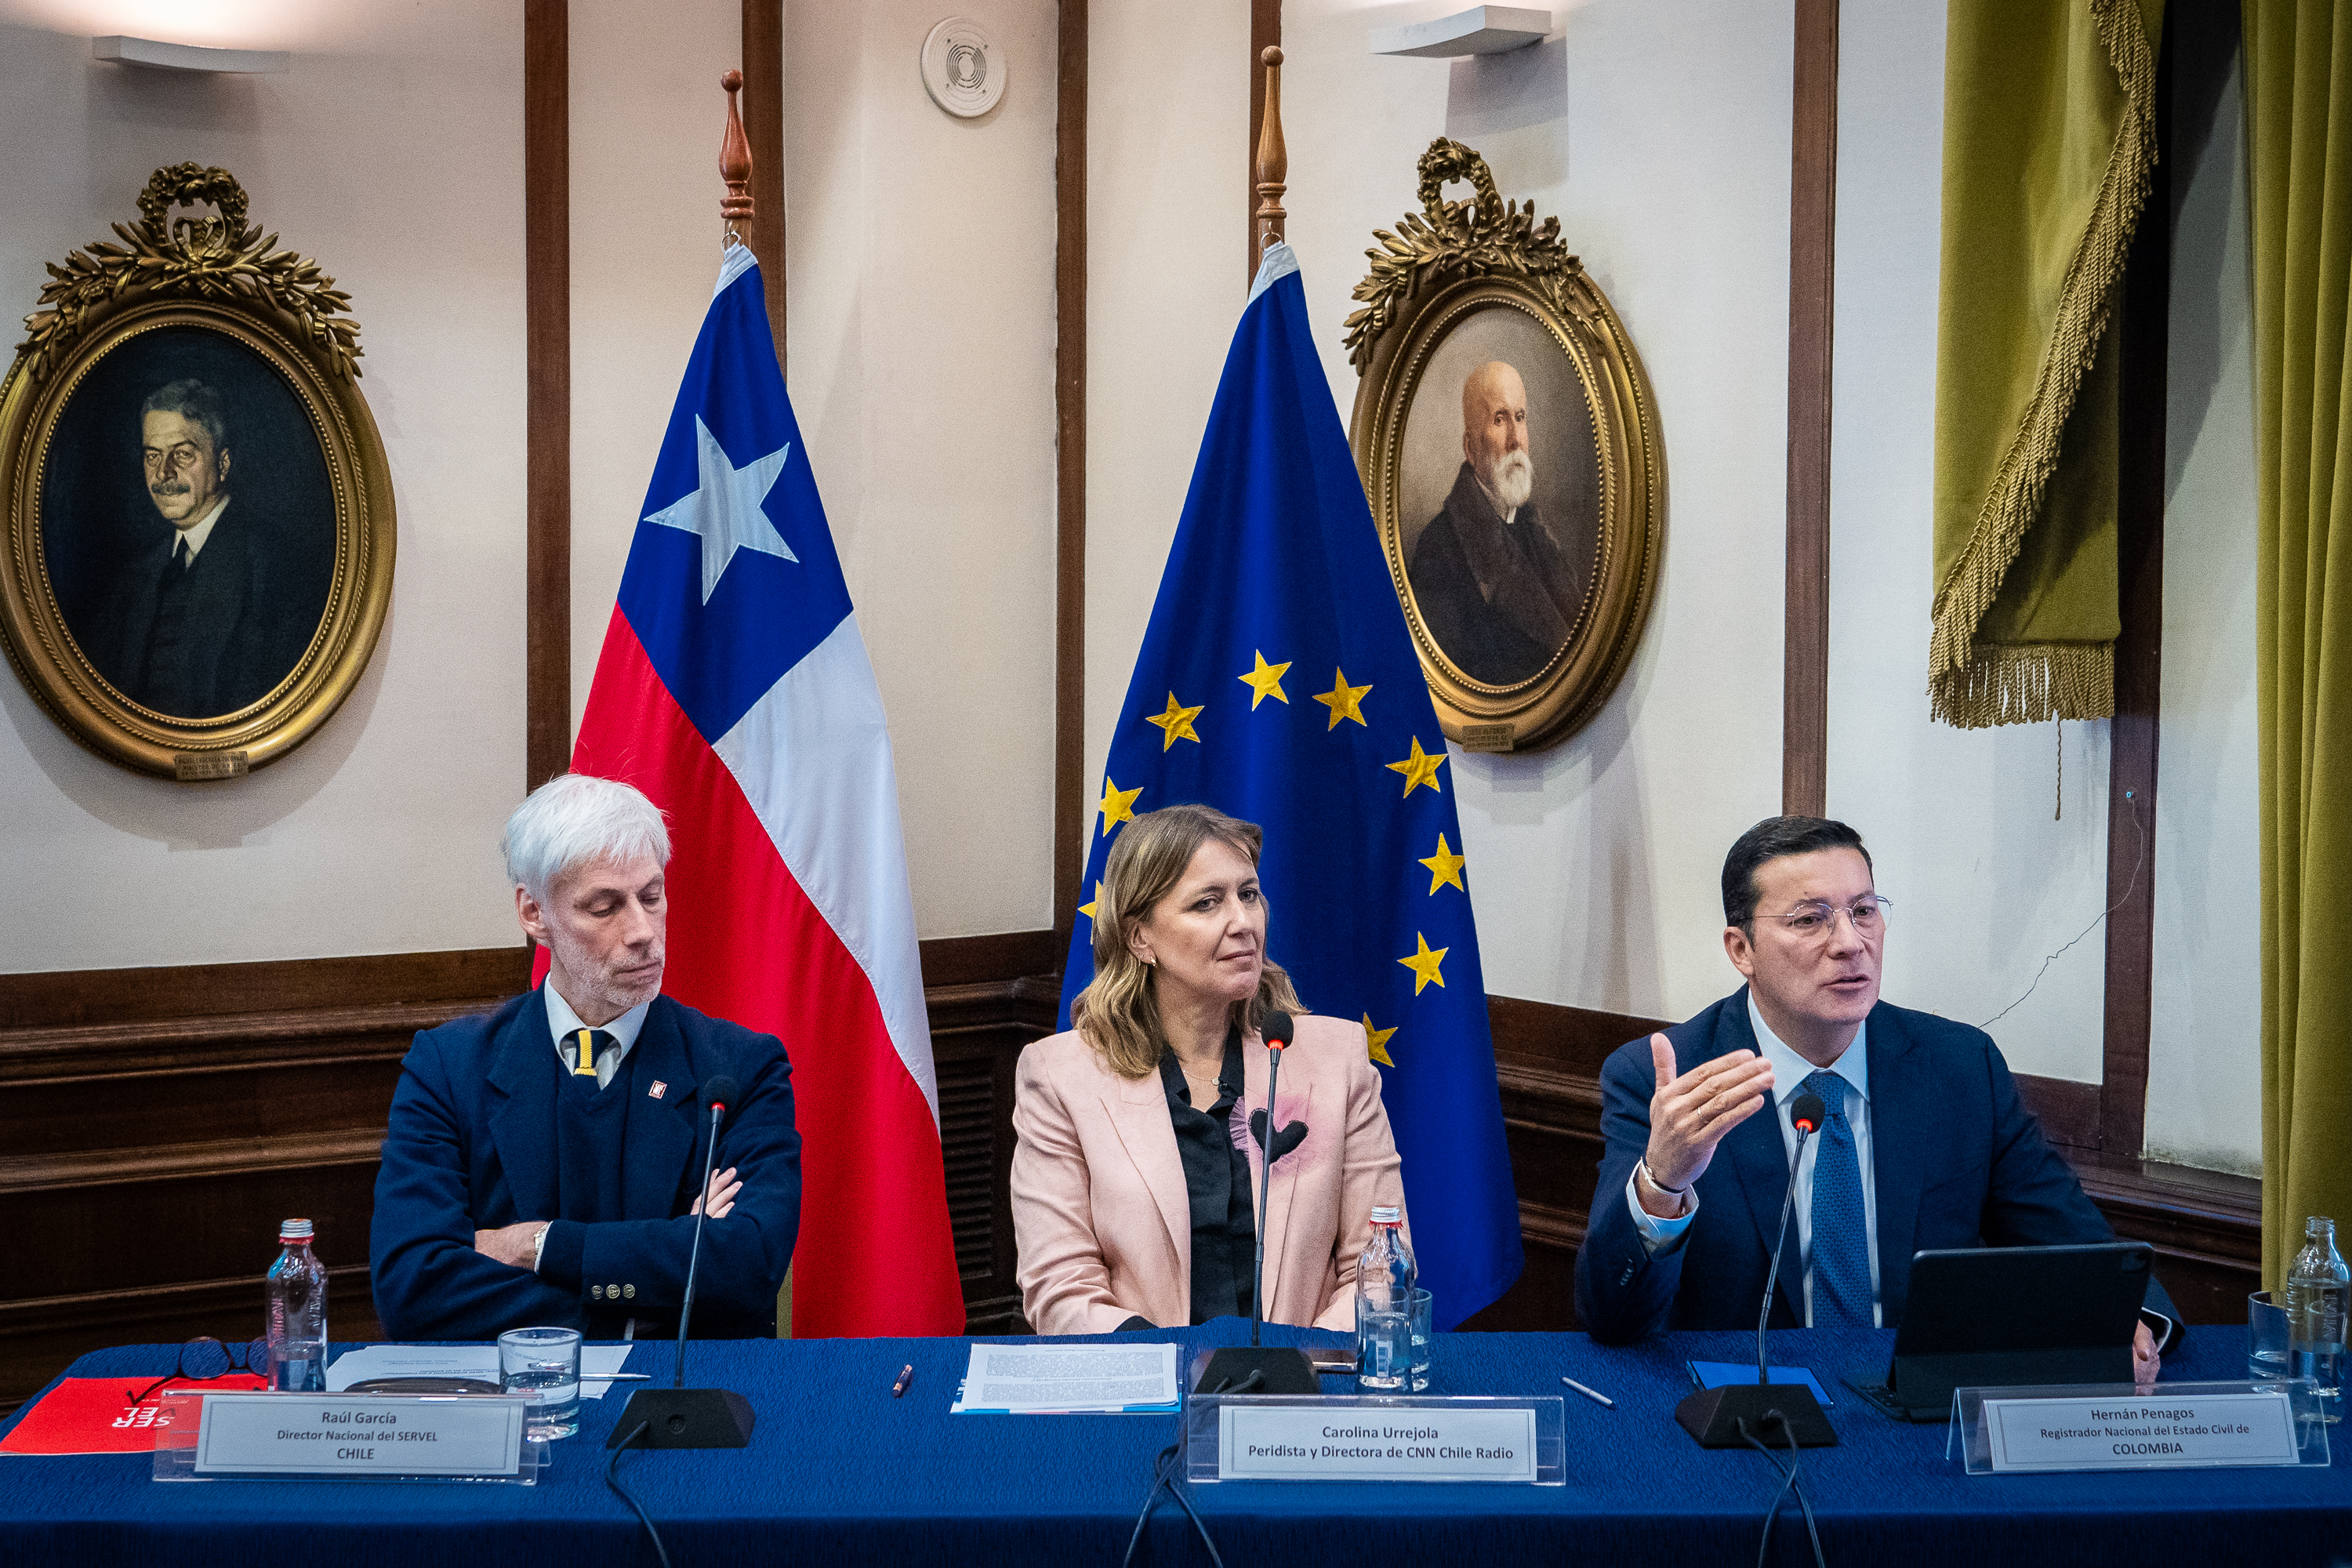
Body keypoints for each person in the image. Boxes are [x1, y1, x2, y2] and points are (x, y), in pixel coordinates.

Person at [1573, 815, 2176, 1377]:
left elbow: (2080, 1246)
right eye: (1810, 919)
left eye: (1864, 911)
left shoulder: (1959, 1067)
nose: (1849, 942)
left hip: (1919, 1410)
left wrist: (2130, 1317)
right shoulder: (1672, 1079)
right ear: (1741, 950)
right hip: (1745, 1410)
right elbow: (1612, 1317)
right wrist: (1664, 1183)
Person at [369, 774, 801, 1340]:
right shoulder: (449, 1069)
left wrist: (536, 1245)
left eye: (652, 896)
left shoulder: (741, 1068)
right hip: (510, 1401)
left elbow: (744, 1268)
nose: (643, 931)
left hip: (685, 1407)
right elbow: (413, 1290)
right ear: (533, 914)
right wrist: (647, 1297)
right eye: (605, 907)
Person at [1011, 804, 1408, 1334]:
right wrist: (1162, 1371)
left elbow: (1379, 1267)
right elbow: (1059, 1286)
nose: (1244, 923)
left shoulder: (1336, 1059)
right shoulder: (1060, 1077)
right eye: (1207, 904)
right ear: (1140, 938)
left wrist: (1299, 1371)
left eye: (1249, 895)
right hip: (1146, 1394)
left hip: (1304, 1392)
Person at [85, 379, 310, 716]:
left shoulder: (271, 568)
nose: (164, 473)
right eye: (152, 456)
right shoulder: (137, 575)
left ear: (223, 464)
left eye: (183, 454)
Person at [1406, 359, 1586, 686]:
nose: (1515, 439)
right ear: (1470, 447)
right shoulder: (1438, 551)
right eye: (1500, 420)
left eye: (1520, 417)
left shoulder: (1538, 533)